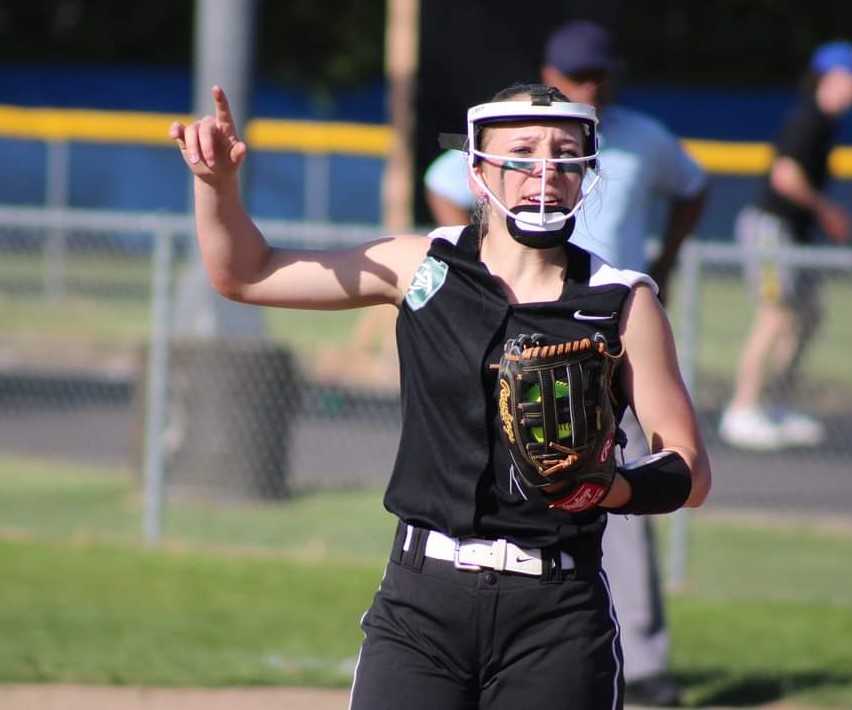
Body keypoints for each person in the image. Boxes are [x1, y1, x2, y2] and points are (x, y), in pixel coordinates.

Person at [170, 81, 711, 710]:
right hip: (422, 603)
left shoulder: (621, 300)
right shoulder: (423, 266)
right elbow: (245, 272)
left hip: (557, 613)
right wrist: (217, 187)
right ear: (479, 168)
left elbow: (689, 471)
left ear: (586, 169)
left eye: (565, 153)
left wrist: (609, 487)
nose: (546, 171)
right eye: (524, 152)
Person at [423, 20, 707, 707]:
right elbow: (442, 179)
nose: (586, 86)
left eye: (596, 76)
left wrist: (658, 263)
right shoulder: (513, 134)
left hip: (605, 344)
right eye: (574, 75)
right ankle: (452, 617)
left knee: (607, 485)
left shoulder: (640, 137)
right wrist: (476, 258)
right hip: (510, 332)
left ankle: (640, 659)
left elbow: (695, 187)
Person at [719, 41, 852, 451]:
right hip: (772, 228)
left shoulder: (828, 124)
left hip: (794, 233)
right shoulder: (811, 120)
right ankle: (742, 408)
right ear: (829, 78)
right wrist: (828, 211)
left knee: (808, 316)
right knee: (776, 315)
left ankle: (776, 404)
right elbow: (786, 177)